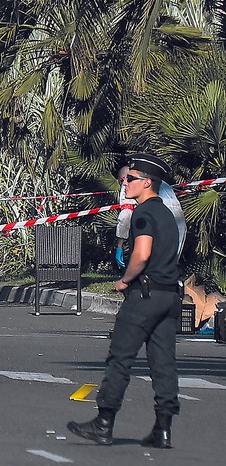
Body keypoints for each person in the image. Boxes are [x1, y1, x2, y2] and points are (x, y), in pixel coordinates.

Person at [68, 153, 181, 449]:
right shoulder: (167, 214)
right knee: (164, 363)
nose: (125, 182)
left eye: (130, 179)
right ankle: (163, 428)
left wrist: (124, 280)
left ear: (147, 183)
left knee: (120, 358)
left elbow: (142, 254)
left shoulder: (143, 214)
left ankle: (103, 423)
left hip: (145, 295)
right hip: (169, 295)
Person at [115, 165, 186, 269]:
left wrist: (119, 247)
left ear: (123, 178)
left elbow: (126, 215)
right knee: (169, 267)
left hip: (159, 223)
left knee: (151, 270)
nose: (124, 185)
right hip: (179, 222)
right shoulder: (160, 182)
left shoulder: (129, 184)